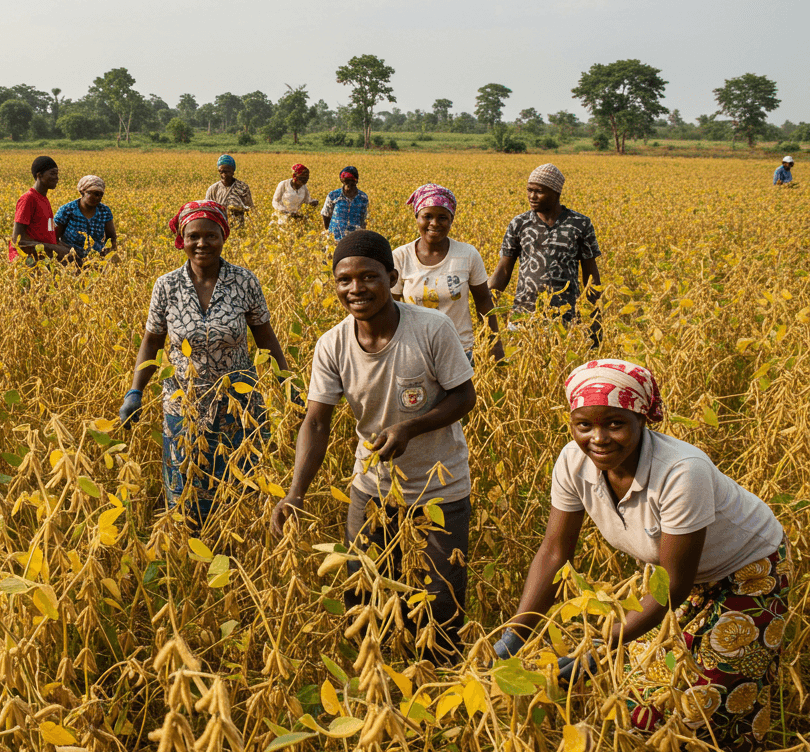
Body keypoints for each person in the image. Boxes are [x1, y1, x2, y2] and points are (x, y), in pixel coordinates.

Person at [495, 359, 786, 752]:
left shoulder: (683, 471)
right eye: (584, 425)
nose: (598, 438)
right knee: (643, 697)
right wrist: (516, 633)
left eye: (615, 423)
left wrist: (601, 646)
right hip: (672, 576)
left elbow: (675, 583)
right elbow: (553, 551)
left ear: (642, 420)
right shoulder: (572, 462)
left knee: (708, 700)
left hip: (747, 570)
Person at [270, 230, 477, 664]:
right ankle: (378, 681)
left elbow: (464, 398)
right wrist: (295, 494)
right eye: (345, 280)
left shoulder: (432, 329)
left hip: (439, 489)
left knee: (438, 599)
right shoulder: (333, 344)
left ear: (392, 277)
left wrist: (410, 429)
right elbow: (316, 421)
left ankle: (437, 685)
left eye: (368, 277)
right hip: (372, 487)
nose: (356, 289)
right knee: (365, 590)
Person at [119, 200, 292, 528]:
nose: (201, 243)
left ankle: (235, 544)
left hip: (238, 405)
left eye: (210, 235)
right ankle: (191, 550)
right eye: (193, 236)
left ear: (223, 236)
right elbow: (152, 342)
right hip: (183, 405)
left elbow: (265, 338)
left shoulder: (244, 281)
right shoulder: (166, 286)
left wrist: (287, 382)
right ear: (181, 239)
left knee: (240, 484)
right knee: (186, 486)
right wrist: (135, 391)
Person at [488, 164, 601, 344]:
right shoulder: (519, 223)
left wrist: (595, 316)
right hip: (524, 316)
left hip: (567, 316)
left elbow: (591, 275)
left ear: (556, 192)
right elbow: (503, 270)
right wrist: (486, 307)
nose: (532, 196)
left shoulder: (580, 224)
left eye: (539, 191)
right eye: (529, 190)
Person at [393, 184, 505, 363]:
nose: (434, 223)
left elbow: (484, 301)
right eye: (427, 216)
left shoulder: (467, 254)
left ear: (451, 219)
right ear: (417, 217)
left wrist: (494, 344)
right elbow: (391, 306)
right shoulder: (400, 257)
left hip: (460, 351)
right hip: (415, 353)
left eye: (442, 217)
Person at [9, 156, 72, 265]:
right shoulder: (28, 199)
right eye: (52, 173)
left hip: (44, 259)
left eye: (57, 174)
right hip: (29, 263)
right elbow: (18, 241)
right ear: (39, 175)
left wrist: (64, 248)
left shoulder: (44, 200)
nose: (56, 178)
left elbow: (47, 236)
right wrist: (55, 248)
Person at [54, 174, 118, 259]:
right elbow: (54, 237)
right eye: (93, 193)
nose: (97, 197)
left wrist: (108, 254)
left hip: (95, 259)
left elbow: (111, 237)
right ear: (82, 192)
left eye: (100, 194)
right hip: (69, 257)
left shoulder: (104, 211)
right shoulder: (67, 210)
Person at [205, 154, 255, 233]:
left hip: (238, 226)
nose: (224, 174)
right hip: (219, 227)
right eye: (221, 171)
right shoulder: (213, 189)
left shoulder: (242, 187)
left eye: (227, 171)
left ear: (233, 171)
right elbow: (207, 209)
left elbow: (250, 208)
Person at [320, 166, 368, 241]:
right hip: (335, 238)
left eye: (351, 182)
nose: (348, 185)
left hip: (354, 238)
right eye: (346, 182)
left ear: (356, 181)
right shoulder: (333, 195)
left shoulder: (363, 197)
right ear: (342, 181)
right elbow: (326, 214)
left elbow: (363, 218)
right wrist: (329, 231)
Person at [271, 163, 318, 228]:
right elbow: (275, 202)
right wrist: (286, 212)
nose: (304, 181)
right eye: (302, 178)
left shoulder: (304, 187)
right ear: (295, 176)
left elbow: (307, 200)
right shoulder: (284, 184)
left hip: (298, 219)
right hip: (283, 219)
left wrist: (312, 202)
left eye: (306, 179)